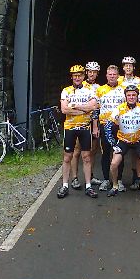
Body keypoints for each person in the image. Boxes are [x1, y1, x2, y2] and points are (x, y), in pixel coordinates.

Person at [105, 85, 140, 198]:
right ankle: (114, 186)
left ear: (137, 96)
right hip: (123, 140)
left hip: (139, 141)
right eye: (129, 95)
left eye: (134, 95)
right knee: (114, 164)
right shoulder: (119, 108)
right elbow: (108, 126)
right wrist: (113, 143)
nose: (131, 97)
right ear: (125, 97)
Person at [57, 65, 99, 199]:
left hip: (84, 128)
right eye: (75, 75)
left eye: (79, 75)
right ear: (71, 77)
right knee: (67, 157)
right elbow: (64, 110)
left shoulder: (89, 90)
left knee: (86, 157)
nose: (77, 77)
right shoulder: (66, 91)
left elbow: (93, 106)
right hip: (70, 128)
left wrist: (74, 106)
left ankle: (88, 186)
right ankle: (64, 185)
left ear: (83, 76)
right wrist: (83, 109)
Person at [70, 61, 102, 190]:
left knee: (92, 151)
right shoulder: (79, 86)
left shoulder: (99, 88)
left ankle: (91, 175)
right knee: (76, 150)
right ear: (86, 73)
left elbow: (96, 107)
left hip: (93, 122)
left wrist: (95, 125)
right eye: (90, 71)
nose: (92, 74)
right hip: (79, 122)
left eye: (94, 72)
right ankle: (74, 178)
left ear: (97, 73)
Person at [95, 65, 126, 191]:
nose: (112, 76)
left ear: (118, 76)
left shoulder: (124, 89)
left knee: (119, 152)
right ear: (106, 76)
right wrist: (95, 127)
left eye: (114, 74)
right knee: (106, 153)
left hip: (120, 126)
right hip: (105, 125)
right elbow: (96, 109)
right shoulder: (100, 90)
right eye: (110, 74)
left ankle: (119, 180)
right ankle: (106, 180)